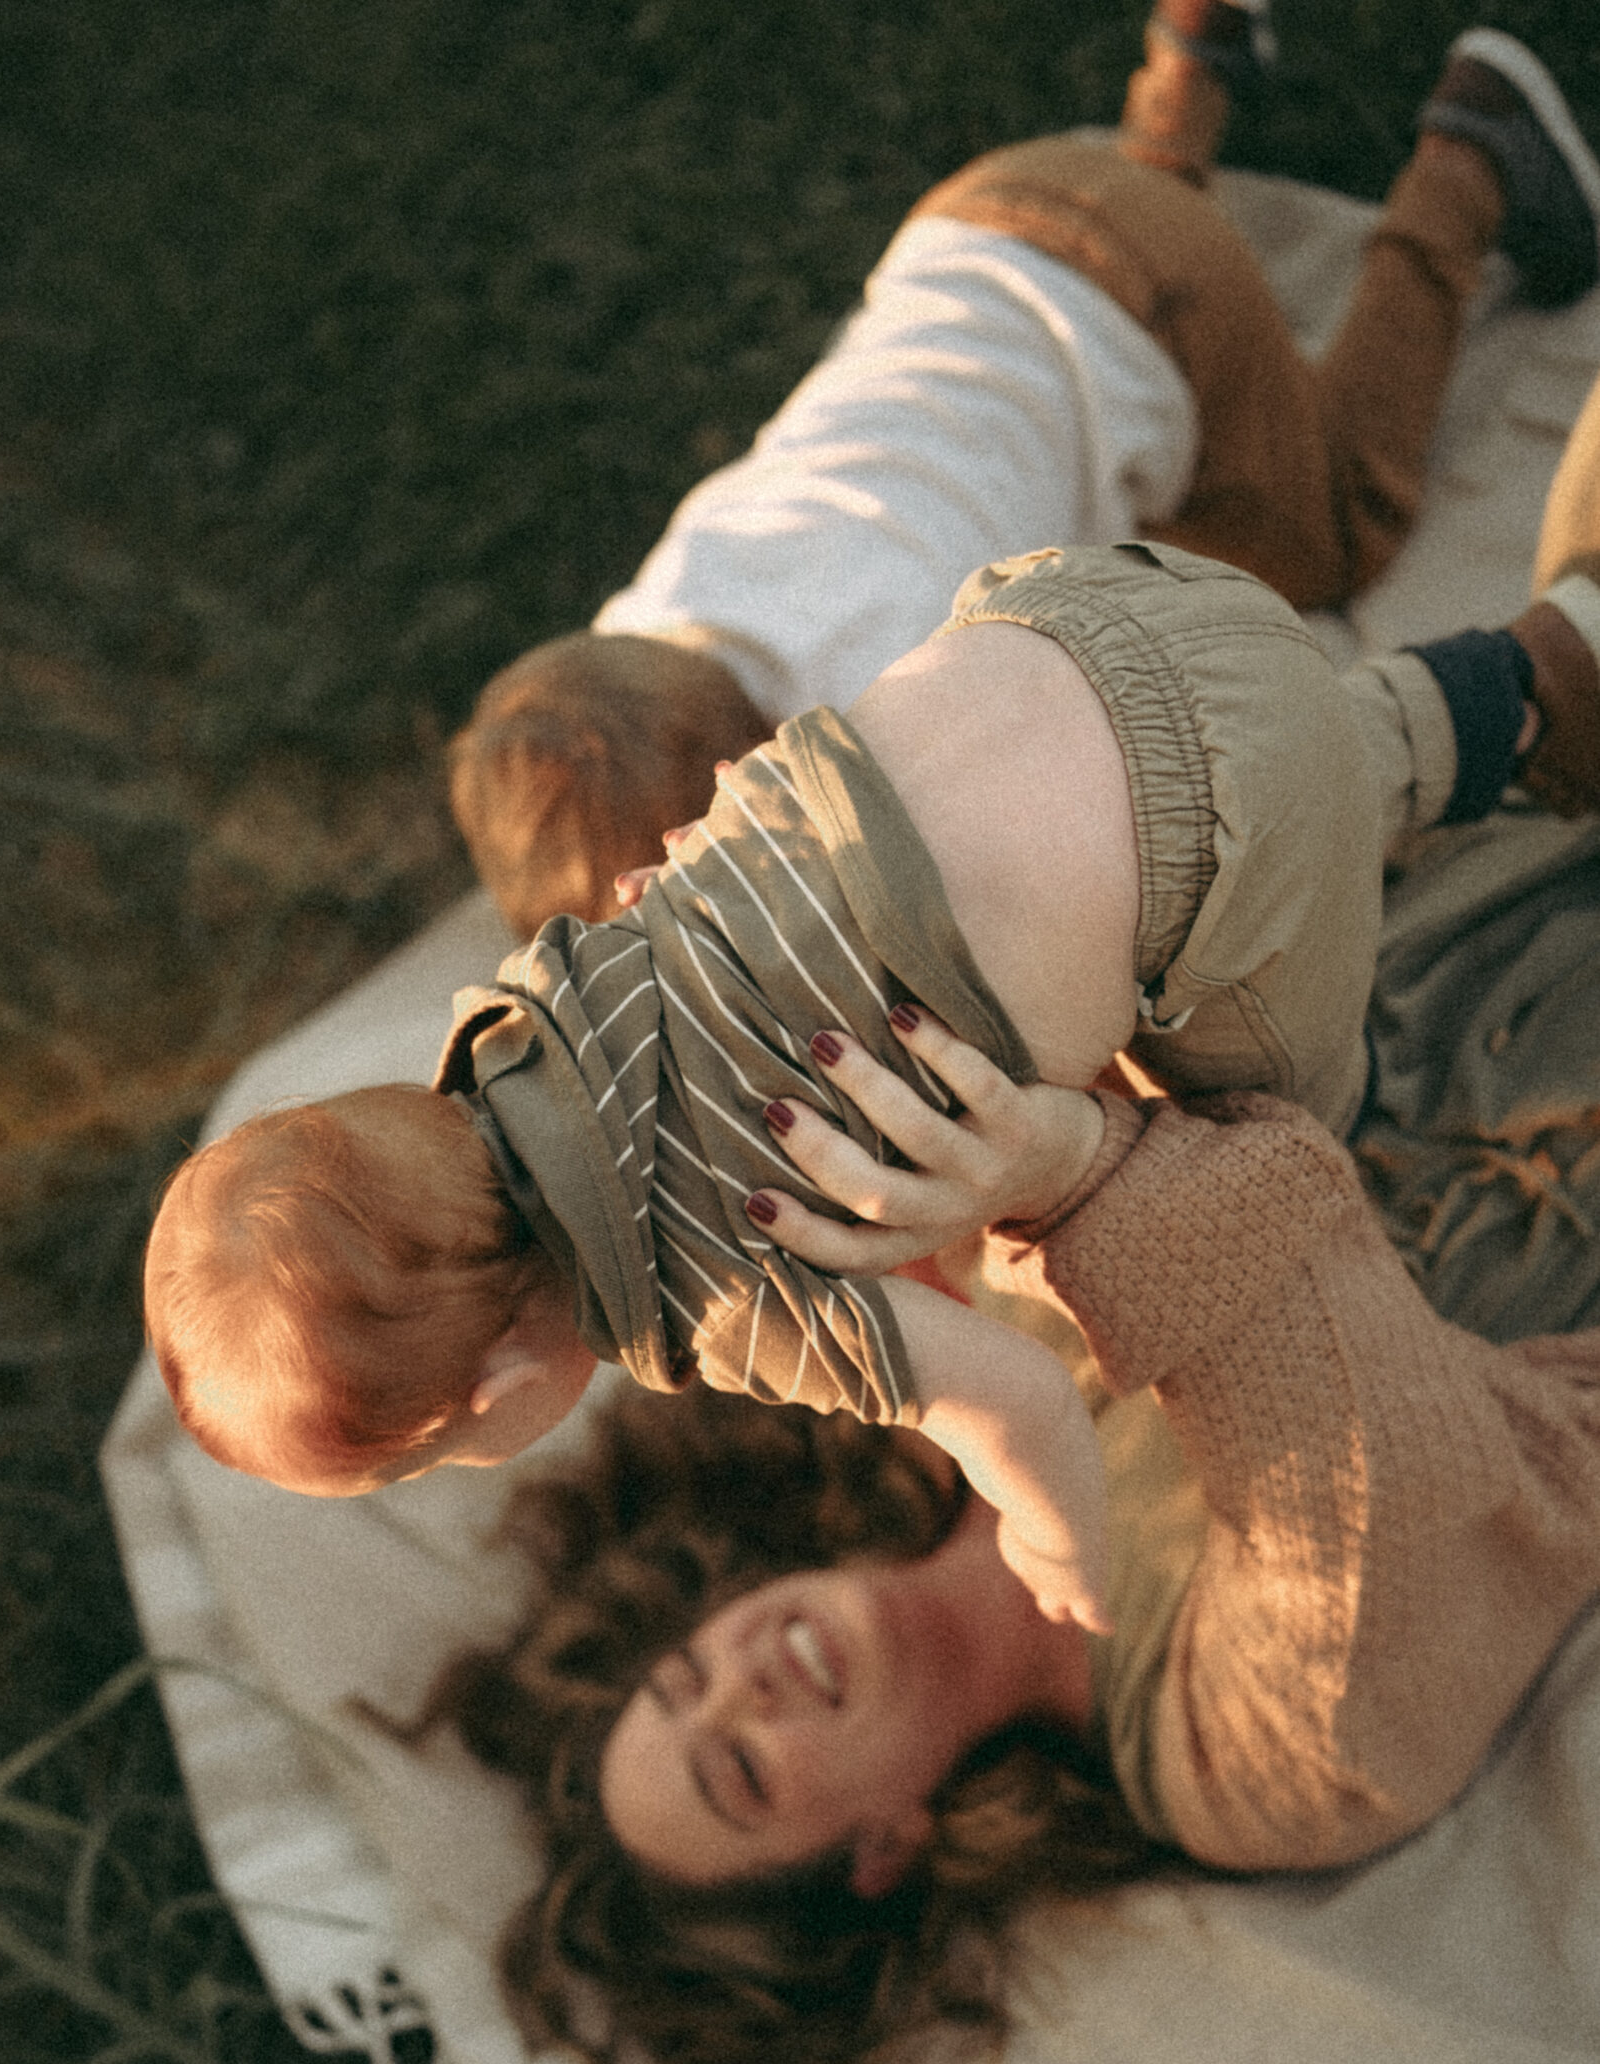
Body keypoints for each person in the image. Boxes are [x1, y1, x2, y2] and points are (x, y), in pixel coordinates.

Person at [142, 529, 1594, 1638]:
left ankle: (1454, 922)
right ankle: (1513, 686)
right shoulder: (541, 993)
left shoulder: (714, 1297)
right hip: (1075, 619)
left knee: (1269, 1135)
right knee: (1287, 748)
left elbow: (1015, 1402)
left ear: (501, 1387)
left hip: (1222, 831)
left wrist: (1055, 1540)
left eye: (440, 1460)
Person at [421, 923, 1600, 2064]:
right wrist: (1070, 1160)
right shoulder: (1229, 1762)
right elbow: (1366, 1458)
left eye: (685, 1674)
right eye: (739, 1769)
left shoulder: (917, 1362)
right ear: (880, 1850)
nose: (738, 1679)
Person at [448, 22, 1600, 935]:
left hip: (1159, 304)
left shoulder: (884, 708)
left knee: (1331, 527)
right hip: (984, 219)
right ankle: (1185, 67)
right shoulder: (648, 623)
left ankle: (1468, 163)